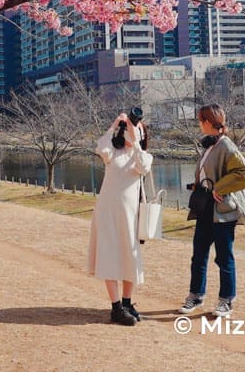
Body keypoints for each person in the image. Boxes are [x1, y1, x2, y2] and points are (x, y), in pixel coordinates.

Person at [178, 104, 245, 318]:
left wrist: (219, 188)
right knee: (199, 255)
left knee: (223, 256)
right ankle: (195, 295)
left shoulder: (226, 146)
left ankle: (226, 301)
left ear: (207, 122)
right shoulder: (210, 145)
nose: (198, 124)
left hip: (222, 210)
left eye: (200, 120)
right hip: (205, 208)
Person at [87, 108, 152, 326]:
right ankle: (116, 307)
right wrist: (115, 124)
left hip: (130, 215)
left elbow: (143, 167)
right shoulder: (112, 153)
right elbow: (100, 147)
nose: (132, 133)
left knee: (129, 256)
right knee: (109, 255)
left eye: (138, 131)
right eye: (130, 130)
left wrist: (136, 142)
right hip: (107, 211)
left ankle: (127, 302)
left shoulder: (141, 156)